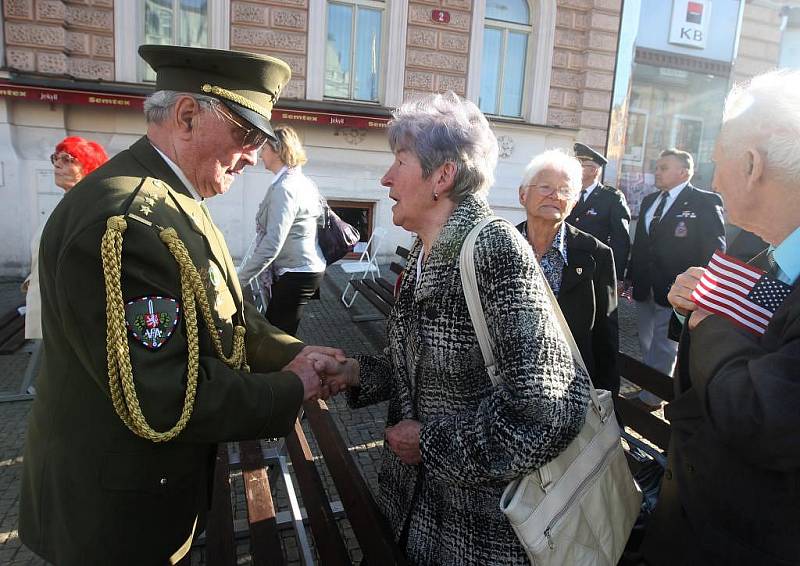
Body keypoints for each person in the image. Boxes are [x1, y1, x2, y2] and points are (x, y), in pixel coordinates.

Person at [19, 45, 344, 566]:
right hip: (113, 517)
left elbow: (225, 315)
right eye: (246, 134)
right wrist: (291, 388)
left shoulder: (173, 194)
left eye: (261, 140)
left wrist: (290, 353)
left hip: (147, 490)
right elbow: (165, 395)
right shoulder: (128, 220)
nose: (252, 154)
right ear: (187, 116)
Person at [319, 93, 590, 565]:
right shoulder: (428, 249)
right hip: (415, 510)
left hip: (471, 533)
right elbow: (425, 369)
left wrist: (430, 443)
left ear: (442, 176)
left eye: (399, 162)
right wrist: (355, 373)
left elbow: (548, 411)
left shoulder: (492, 249)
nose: (386, 178)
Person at [640, 69, 800, 566]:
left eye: (719, 161)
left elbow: (763, 412)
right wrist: (693, 305)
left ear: (752, 165)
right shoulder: (757, 252)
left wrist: (708, 319)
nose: (712, 180)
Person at [624, 149, 725, 405]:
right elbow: (641, 244)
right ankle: (652, 381)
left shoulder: (704, 201)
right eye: (657, 167)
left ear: (684, 171)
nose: (657, 172)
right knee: (647, 340)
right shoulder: (650, 201)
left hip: (677, 289)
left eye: (664, 167)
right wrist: (631, 275)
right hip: (645, 285)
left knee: (665, 344)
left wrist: (704, 285)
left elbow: (715, 249)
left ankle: (652, 397)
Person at [515, 149, 619, 394]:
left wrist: (609, 403)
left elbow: (606, 337)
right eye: (545, 187)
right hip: (505, 385)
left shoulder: (596, 254)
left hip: (570, 390)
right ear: (522, 195)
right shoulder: (498, 245)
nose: (554, 196)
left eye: (565, 191)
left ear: (573, 204)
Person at [237, 124, 326, 336]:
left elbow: (272, 244)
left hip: (297, 273)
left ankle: (297, 368)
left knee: (275, 337)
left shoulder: (285, 188)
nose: (260, 154)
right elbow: (319, 220)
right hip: (306, 269)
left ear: (278, 150)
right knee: (279, 332)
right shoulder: (303, 181)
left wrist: (240, 280)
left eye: (265, 148)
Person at [22, 136, 109, 339]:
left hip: (66, 320)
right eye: (56, 158)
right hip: (48, 308)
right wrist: (32, 280)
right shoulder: (63, 205)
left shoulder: (90, 210)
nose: (57, 163)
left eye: (68, 159)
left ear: (89, 168)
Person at [566, 142, 631, 282]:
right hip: (566, 264)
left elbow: (620, 240)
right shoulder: (567, 193)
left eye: (581, 165)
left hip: (594, 268)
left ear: (594, 170)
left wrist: (617, 276)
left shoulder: (611, 197)